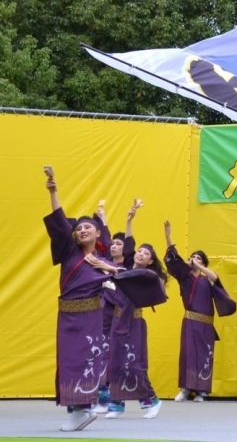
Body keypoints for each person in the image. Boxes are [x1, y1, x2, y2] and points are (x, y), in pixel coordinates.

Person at [42, 166, 126, 431]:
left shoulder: (102, 261)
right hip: (67, 317)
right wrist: (54, 190)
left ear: (98, 233)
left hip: (90, 318)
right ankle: (77, 412)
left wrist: (110, 269)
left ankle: (85, 408)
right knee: (68, 361)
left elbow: (127, 277)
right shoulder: (69, 251)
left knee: (86, 360)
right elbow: (59, 223)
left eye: (88, 227)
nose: (82, 230)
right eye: (78, 228)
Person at [164, 220, 236, 402]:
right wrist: (168, 236)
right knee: (188, 353)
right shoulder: (185, 277)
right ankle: (186, 389)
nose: (194, 259)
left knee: (205, 354)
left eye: (198, 258)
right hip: (190, 320)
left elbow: (216, 278)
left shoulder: (206, 279)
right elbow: (174, 259)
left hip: (206, 323)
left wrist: (199, 265)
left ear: (203, 262)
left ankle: (202, 391)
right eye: (192, 257)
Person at [105, 241, 167, 420]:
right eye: (139, 251)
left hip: (134, 322)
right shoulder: (123, 273)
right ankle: (116, 404)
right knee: (115, 362)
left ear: (150, 261)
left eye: (146, 253)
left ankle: (152, 401)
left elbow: (132, 275)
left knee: (134, 364)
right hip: (117, 320)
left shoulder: (145, 275)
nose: (141, 254)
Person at [93, 202, 137, 414]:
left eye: (118, 244)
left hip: (121, 318)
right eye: (112, 244)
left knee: (117, 358)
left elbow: (128, 243)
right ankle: (102, 400)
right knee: (100, 357)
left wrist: (129, 220)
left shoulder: (127, 266)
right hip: (103, 316)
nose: (113, 246)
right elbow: (103, 239)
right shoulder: (103, 261)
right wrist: (103, 218)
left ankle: (118, 402)